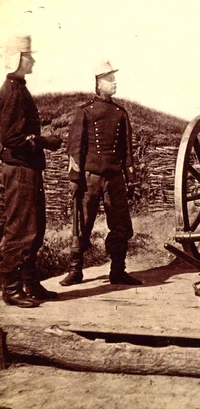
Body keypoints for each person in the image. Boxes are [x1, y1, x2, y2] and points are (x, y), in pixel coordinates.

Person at [59, 60, 141, 286]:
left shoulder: (120, 113)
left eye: (114, 78)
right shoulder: (84, 112)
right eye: (109, 79)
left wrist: (130, 178)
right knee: (82, 224)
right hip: (90, 179)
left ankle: (118, 270)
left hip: (114, 179)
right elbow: (75, 148)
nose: (114, 83)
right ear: (98, 83)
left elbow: (126, 150)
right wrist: (75, 179)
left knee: (120, 224)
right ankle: (75, 270)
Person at [0, 34, 62, 307]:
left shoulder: (18, 88)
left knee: (34, 228)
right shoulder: (12, 91)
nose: (33, 59)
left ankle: (30, 282)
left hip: (28, 168)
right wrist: (44, 141)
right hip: (20, 170)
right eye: (28, 56)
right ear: (17, 59)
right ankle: (11, 288)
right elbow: (11, 139)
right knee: (21, 229)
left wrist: (37, 140)